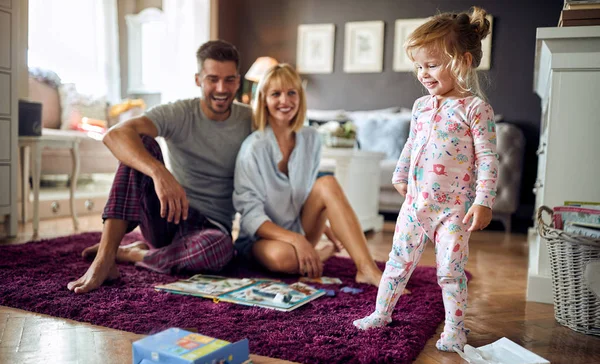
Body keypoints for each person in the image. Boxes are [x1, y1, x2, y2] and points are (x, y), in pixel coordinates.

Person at [353, 7, 499, 352]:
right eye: (419, 66)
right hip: (415, 204)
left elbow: (488, 158)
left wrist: (483, 200)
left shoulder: (475, 109)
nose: (423, 73)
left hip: (452, 211)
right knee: (396, 263)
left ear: (462, 62)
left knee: (450, 270)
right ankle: (381, 313)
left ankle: (455, 328)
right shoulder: (420, 106)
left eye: (431, 65)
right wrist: (400, 172)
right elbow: (411, 143)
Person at [67, 40, 252, 294]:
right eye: (213, 79)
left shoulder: (250, 119)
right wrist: (159, 172)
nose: (221, 88)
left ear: (238, 80)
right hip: (169, 214)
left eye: (229, 80)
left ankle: (133, 256)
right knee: (138, 141)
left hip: (211, 230)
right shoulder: (180, 112)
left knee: (219, 251)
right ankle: (105, 257)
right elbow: (114, 135)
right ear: (198, 79)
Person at [232, 63, 382, 286]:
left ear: (300, 97)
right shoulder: (253, 148)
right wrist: (296, 240)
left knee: (327, 182)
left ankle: (367, 269)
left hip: (300, 230)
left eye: (292, 93)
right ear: (263, 100)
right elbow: (251, 216)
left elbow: (311, 194)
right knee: (282, 258)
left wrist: (326, 229)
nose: (285, 101)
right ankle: (319, 253)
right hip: (262, 239)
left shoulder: (311, 138)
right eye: (276, 94)